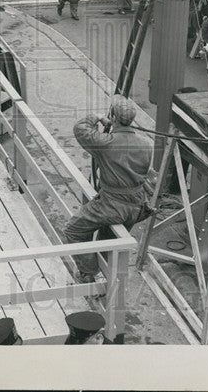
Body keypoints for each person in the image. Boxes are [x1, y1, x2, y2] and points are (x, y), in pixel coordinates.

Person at [63, 95, 152, 283]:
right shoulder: (146, 144)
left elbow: (81, 130)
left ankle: (88, 272)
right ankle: (105, 281)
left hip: (111, 205)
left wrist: (96, 117)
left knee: (73, 230)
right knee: (107, 241)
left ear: (113, 116)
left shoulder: (106, 143)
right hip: (135, 206)